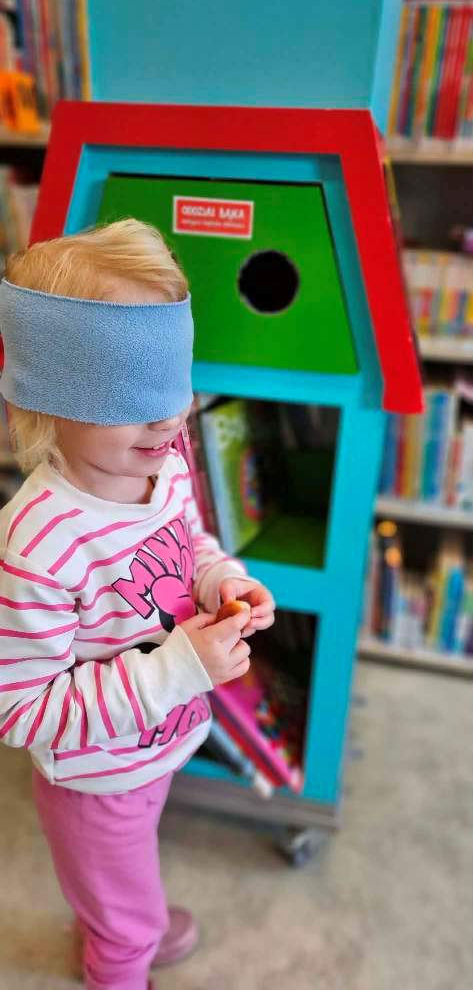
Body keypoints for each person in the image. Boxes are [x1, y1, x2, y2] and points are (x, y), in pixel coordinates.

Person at [0, 218, 275, 990]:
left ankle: (120, 918)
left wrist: (220, 581)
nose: (166, 418)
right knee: (126, 925)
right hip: (94, 779)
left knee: (124, 885)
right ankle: (122, 949)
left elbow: (189, 545)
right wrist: (180, 667)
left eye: (174, 387)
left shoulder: (165, 463)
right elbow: (20, 709)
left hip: (157, 745)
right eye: (131, 395)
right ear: (51, 397)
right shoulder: (37, 542)